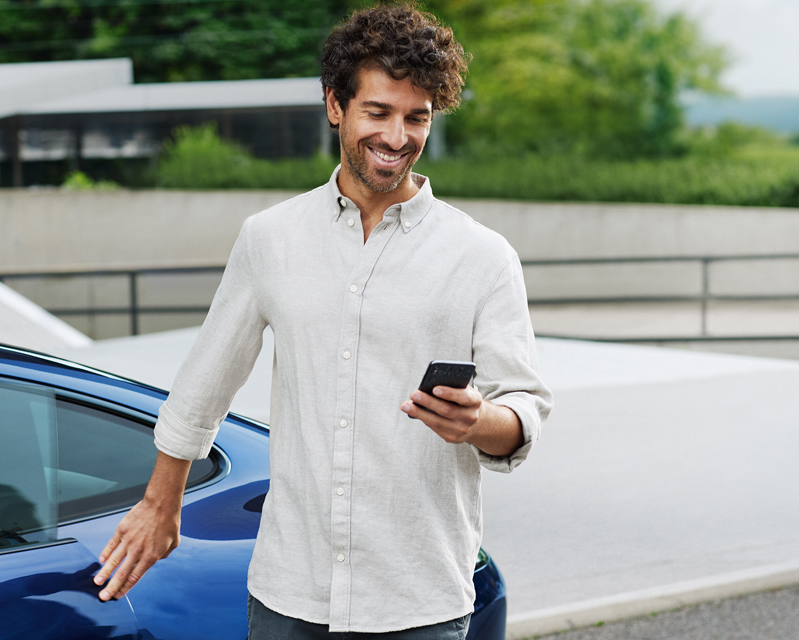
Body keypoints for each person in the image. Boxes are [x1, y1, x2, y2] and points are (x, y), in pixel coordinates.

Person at [94, 3, 552, 638]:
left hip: (418, 600)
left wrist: (478, 422)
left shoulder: (482, 257)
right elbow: (205, 383)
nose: (397, 138)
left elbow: (522, 411)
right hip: (289, 593)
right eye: (378, 112)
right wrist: (159, 502)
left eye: (416, 118)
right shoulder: (270, 238)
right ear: (335, 105)